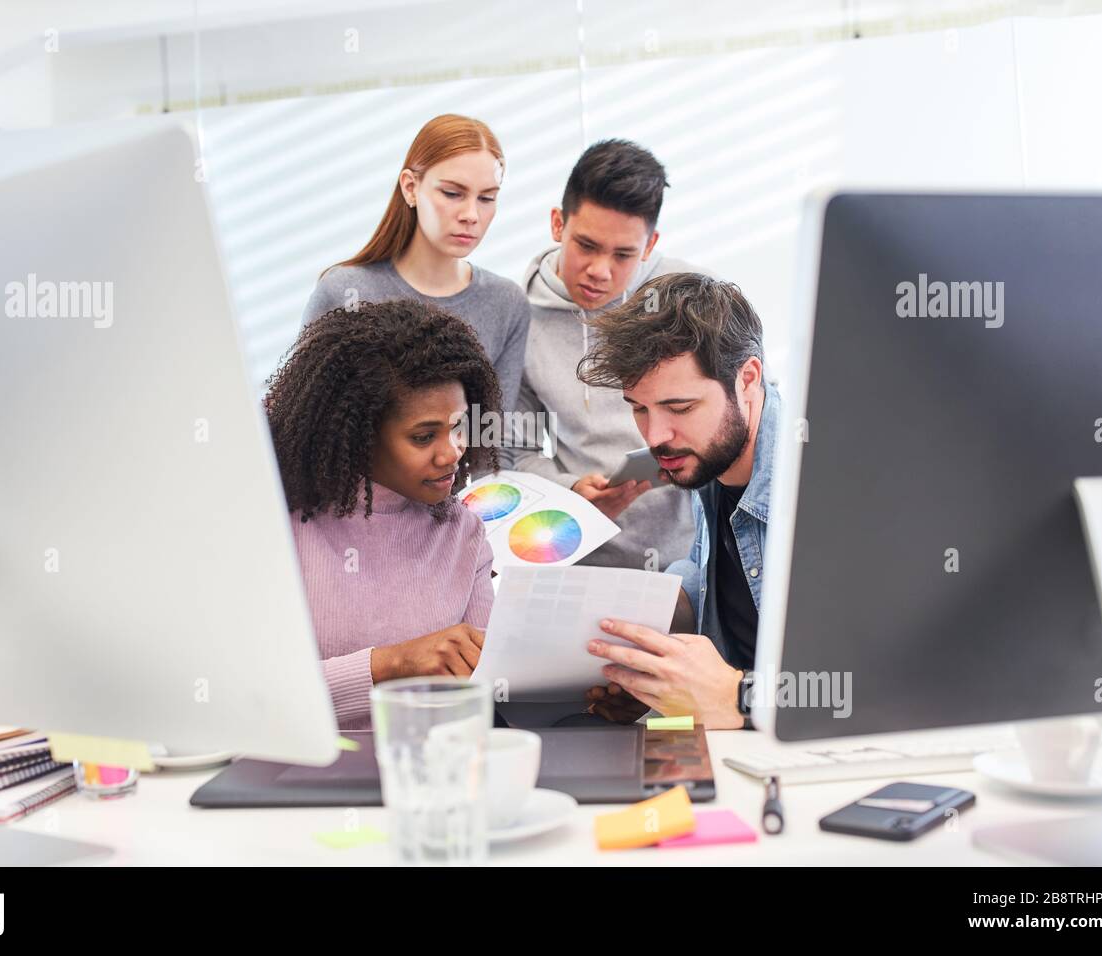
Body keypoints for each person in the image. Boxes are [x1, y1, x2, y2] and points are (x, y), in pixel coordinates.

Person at [264, 298, 502, 730]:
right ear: (360, 437)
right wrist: (389, 665)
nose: (452, 452)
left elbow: (488, 689)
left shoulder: (463, 533)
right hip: (300, 777)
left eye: (459, 427)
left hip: (431, 773)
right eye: (424, 436)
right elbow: (252, 697)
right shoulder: (277, 529)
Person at [576, 272, 779, 730]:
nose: (655, 437)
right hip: (730, 743)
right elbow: (711, 585)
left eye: (680, 408)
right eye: (639, 408)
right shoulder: (709, 463)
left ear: (747, 379)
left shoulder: (822, 488)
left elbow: (875, 682)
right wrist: (656, 684)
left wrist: (739, 698)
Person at [506, 138, 709, 571]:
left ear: (650, 245)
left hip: (693, 559)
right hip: (582, 555)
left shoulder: (692, 298)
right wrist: (570, 488)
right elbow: (513, 451)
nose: (601, 271)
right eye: (587, 246)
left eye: (623, 255)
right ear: (558, 224)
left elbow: (748, 417)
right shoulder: (517, 317)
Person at [303, 114, 530, 416]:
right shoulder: (345, 292)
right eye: (452, 193)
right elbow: (305, 423)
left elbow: (494, 436)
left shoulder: (506, 303)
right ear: (410, 188)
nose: (471, 214)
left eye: (487, 198)